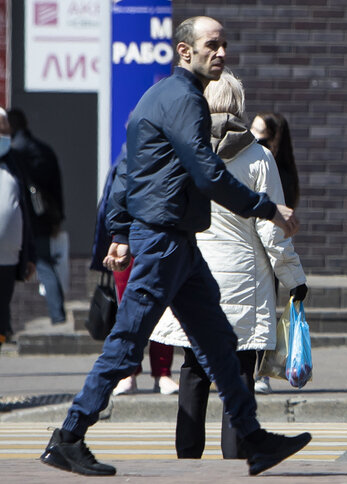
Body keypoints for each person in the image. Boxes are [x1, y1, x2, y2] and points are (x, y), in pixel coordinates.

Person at [40, 16, 310, 477]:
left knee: (220, 343)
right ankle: (68, 436)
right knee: (126, 344)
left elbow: (126, 171)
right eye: (211, 45)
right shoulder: (186, 100)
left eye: (224, 44)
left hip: (178, 243)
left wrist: (121, 232)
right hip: (165, 243)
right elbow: (207, 173)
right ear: (185, 51)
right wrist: (268, 209)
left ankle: (253, 438)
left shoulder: (157, 98)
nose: (221, 53)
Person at [150, 70, 308, 459]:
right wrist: (294, 279)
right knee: (238, 371)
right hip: (242, 281)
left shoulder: (182, 149)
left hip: (192, 273)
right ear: (238, 106)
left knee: (194, 369)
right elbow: (274, 231)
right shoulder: (258, 157)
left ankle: (187, 459)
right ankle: (236, 463)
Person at [91, 144, 179, 397]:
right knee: (128, 312)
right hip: (128, 243)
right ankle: (128, 373)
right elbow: (112, 204)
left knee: (163, 309)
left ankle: (162, 373)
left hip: (159, 241)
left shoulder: (168, 157)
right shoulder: (126, 162)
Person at [249, 111, 301, 394]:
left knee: (265, 311)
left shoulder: (279, 171)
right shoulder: (252, 160)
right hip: (249, 248)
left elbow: (280, 223)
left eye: (262, 135)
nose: (254, 139)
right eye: (252, 132)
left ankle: (262, 372)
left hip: (268, 250)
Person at [8, 108, 66, 324]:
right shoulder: (45, 150)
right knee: (44, 264)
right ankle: (58, 315)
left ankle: (6, 325)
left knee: (7, 269)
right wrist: (57, 218)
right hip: (42, 218)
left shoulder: (13, 153)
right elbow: (56, 187)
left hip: (18, 218)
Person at [0, 108, 36, 352]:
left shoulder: (14, 163)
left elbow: (24, 209)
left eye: (6, 129)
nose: (5, 134)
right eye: (1, 129)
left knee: (1, 320)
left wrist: (29, 255)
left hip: (8, 258)